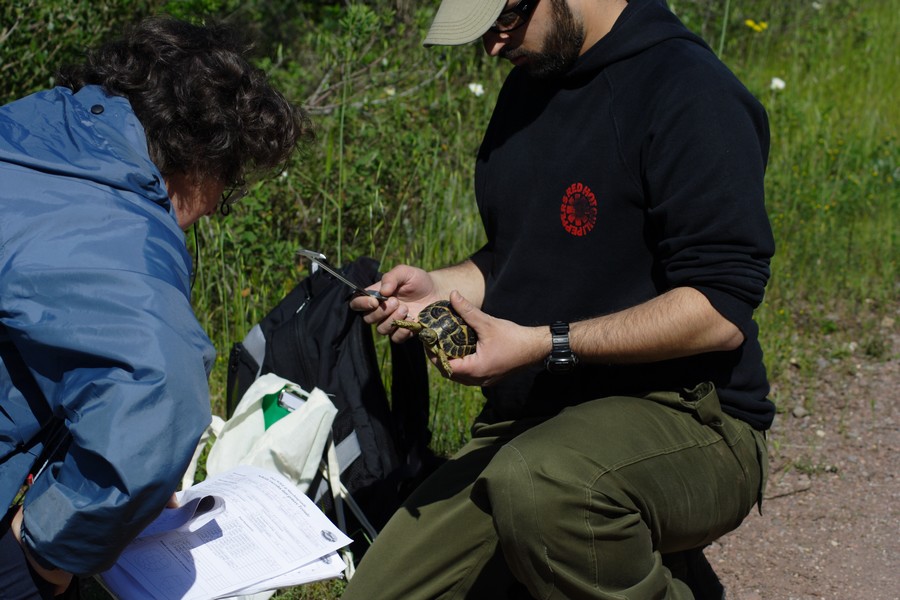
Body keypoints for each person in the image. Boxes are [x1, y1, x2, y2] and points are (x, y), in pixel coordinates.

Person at [344, 0, 775, 598]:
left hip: (691, 414)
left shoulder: (689, 92)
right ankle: (631, 565)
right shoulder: (530, 87)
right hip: (542, 420)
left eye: (502, 23)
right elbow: (518, 256)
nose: (494, 47)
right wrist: (442, 287)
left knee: (545, 486)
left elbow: (720, 309)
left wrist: (545, 344)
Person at [0, 16, 312, 598]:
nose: (215, 209)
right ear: (203, 156)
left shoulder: (27, 132)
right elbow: (159, 401)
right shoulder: (125, 232)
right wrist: (51, 550)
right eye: (229, 181)